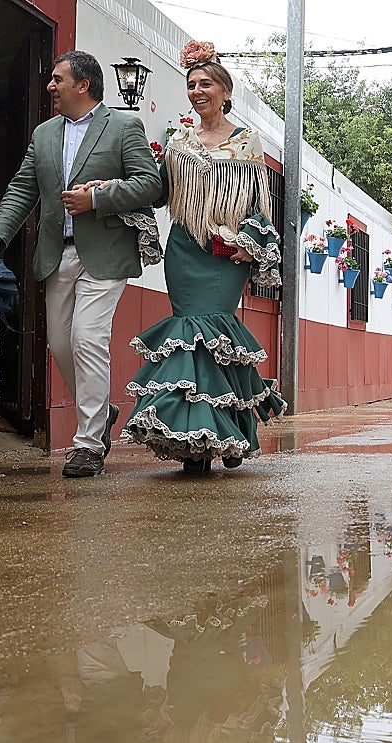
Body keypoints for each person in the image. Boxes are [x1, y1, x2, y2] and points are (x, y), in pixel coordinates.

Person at [0, 51, 162, 478]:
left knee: (87, 338)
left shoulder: (123, 125)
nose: (50, 85)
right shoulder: (44, 134)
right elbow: (22, 190)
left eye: (58, 78)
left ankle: (88, 445)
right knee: (60, 345)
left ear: (84, 85)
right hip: (55, 252)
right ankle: (102, 411)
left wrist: (98, 198)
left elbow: (150, 184)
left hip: (106, 252)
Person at [114, 41, 285, 474]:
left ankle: (226, 432)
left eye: (205, 83)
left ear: (225, 90)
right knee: (189, 341)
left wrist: (244, 240)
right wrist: (114, 192)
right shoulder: (179, 139)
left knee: (217, 338)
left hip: (224, 253)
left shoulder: (247, 140)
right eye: (191, 84)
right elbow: (159, 192)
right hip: (185, 249)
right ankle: (199, 444)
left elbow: (256, 204)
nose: (196, 91)